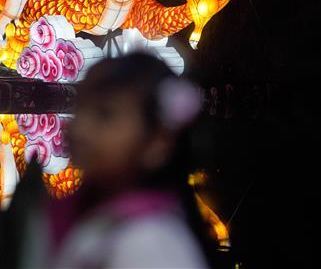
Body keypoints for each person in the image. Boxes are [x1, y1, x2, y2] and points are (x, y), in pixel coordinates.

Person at [36, 52, 216, 268]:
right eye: (79, 108)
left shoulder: (148, 243)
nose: (78, 128)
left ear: (158, 142)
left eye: (105, 114)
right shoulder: (96, 216)